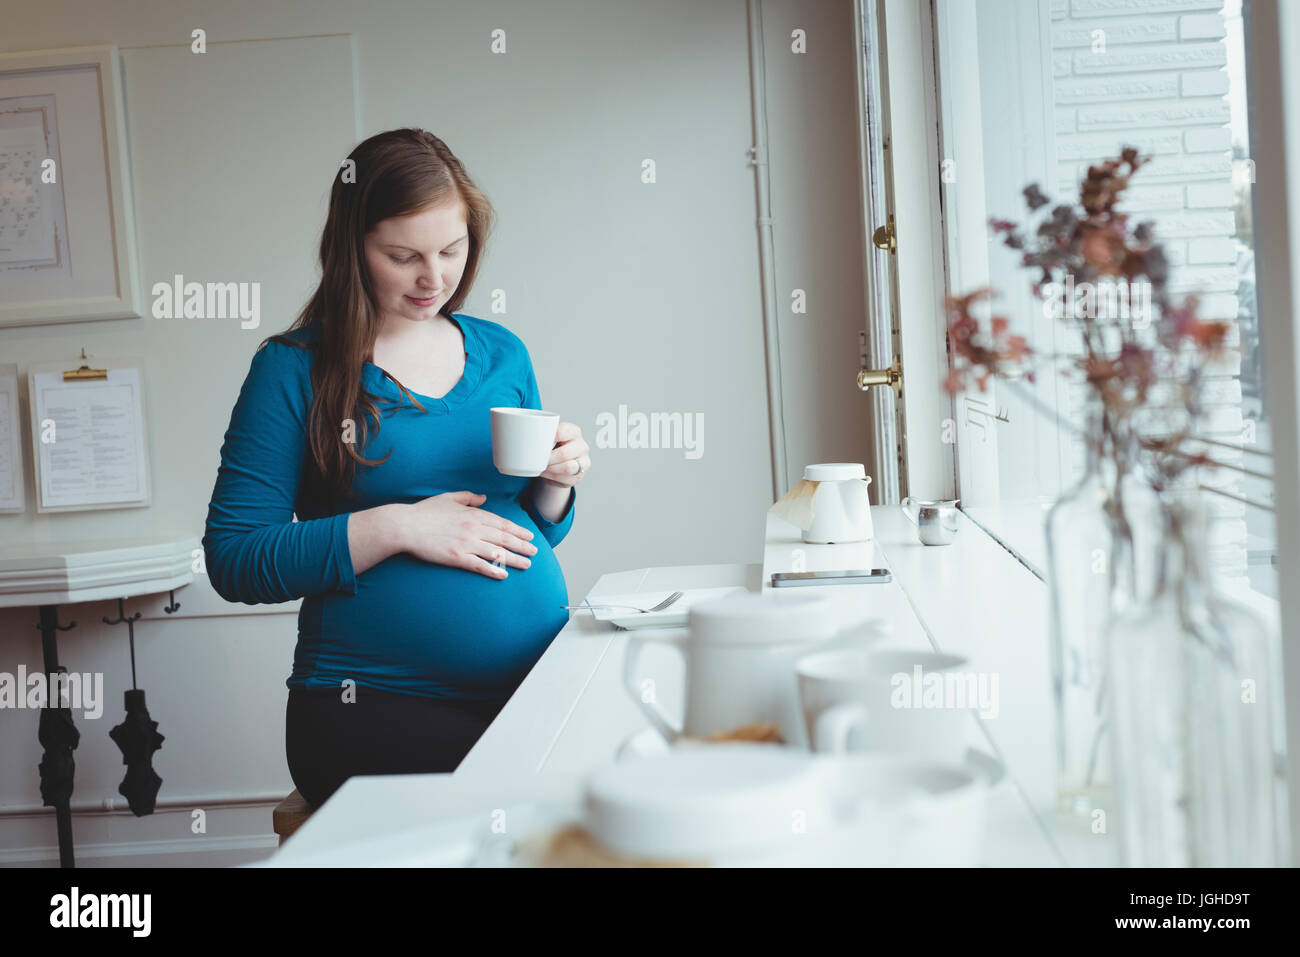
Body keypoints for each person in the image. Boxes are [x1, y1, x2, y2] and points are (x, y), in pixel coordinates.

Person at [202, 128, 590, 810]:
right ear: (352, 246)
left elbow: (524, 533)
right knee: (537, 812)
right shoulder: (293, 369)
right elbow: (234, 558)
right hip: (369, 700)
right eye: (402, 255)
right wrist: (399, 526)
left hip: (529, 682)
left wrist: (555, 484)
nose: (433, 278)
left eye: (452, 249)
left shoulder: (502, 353)